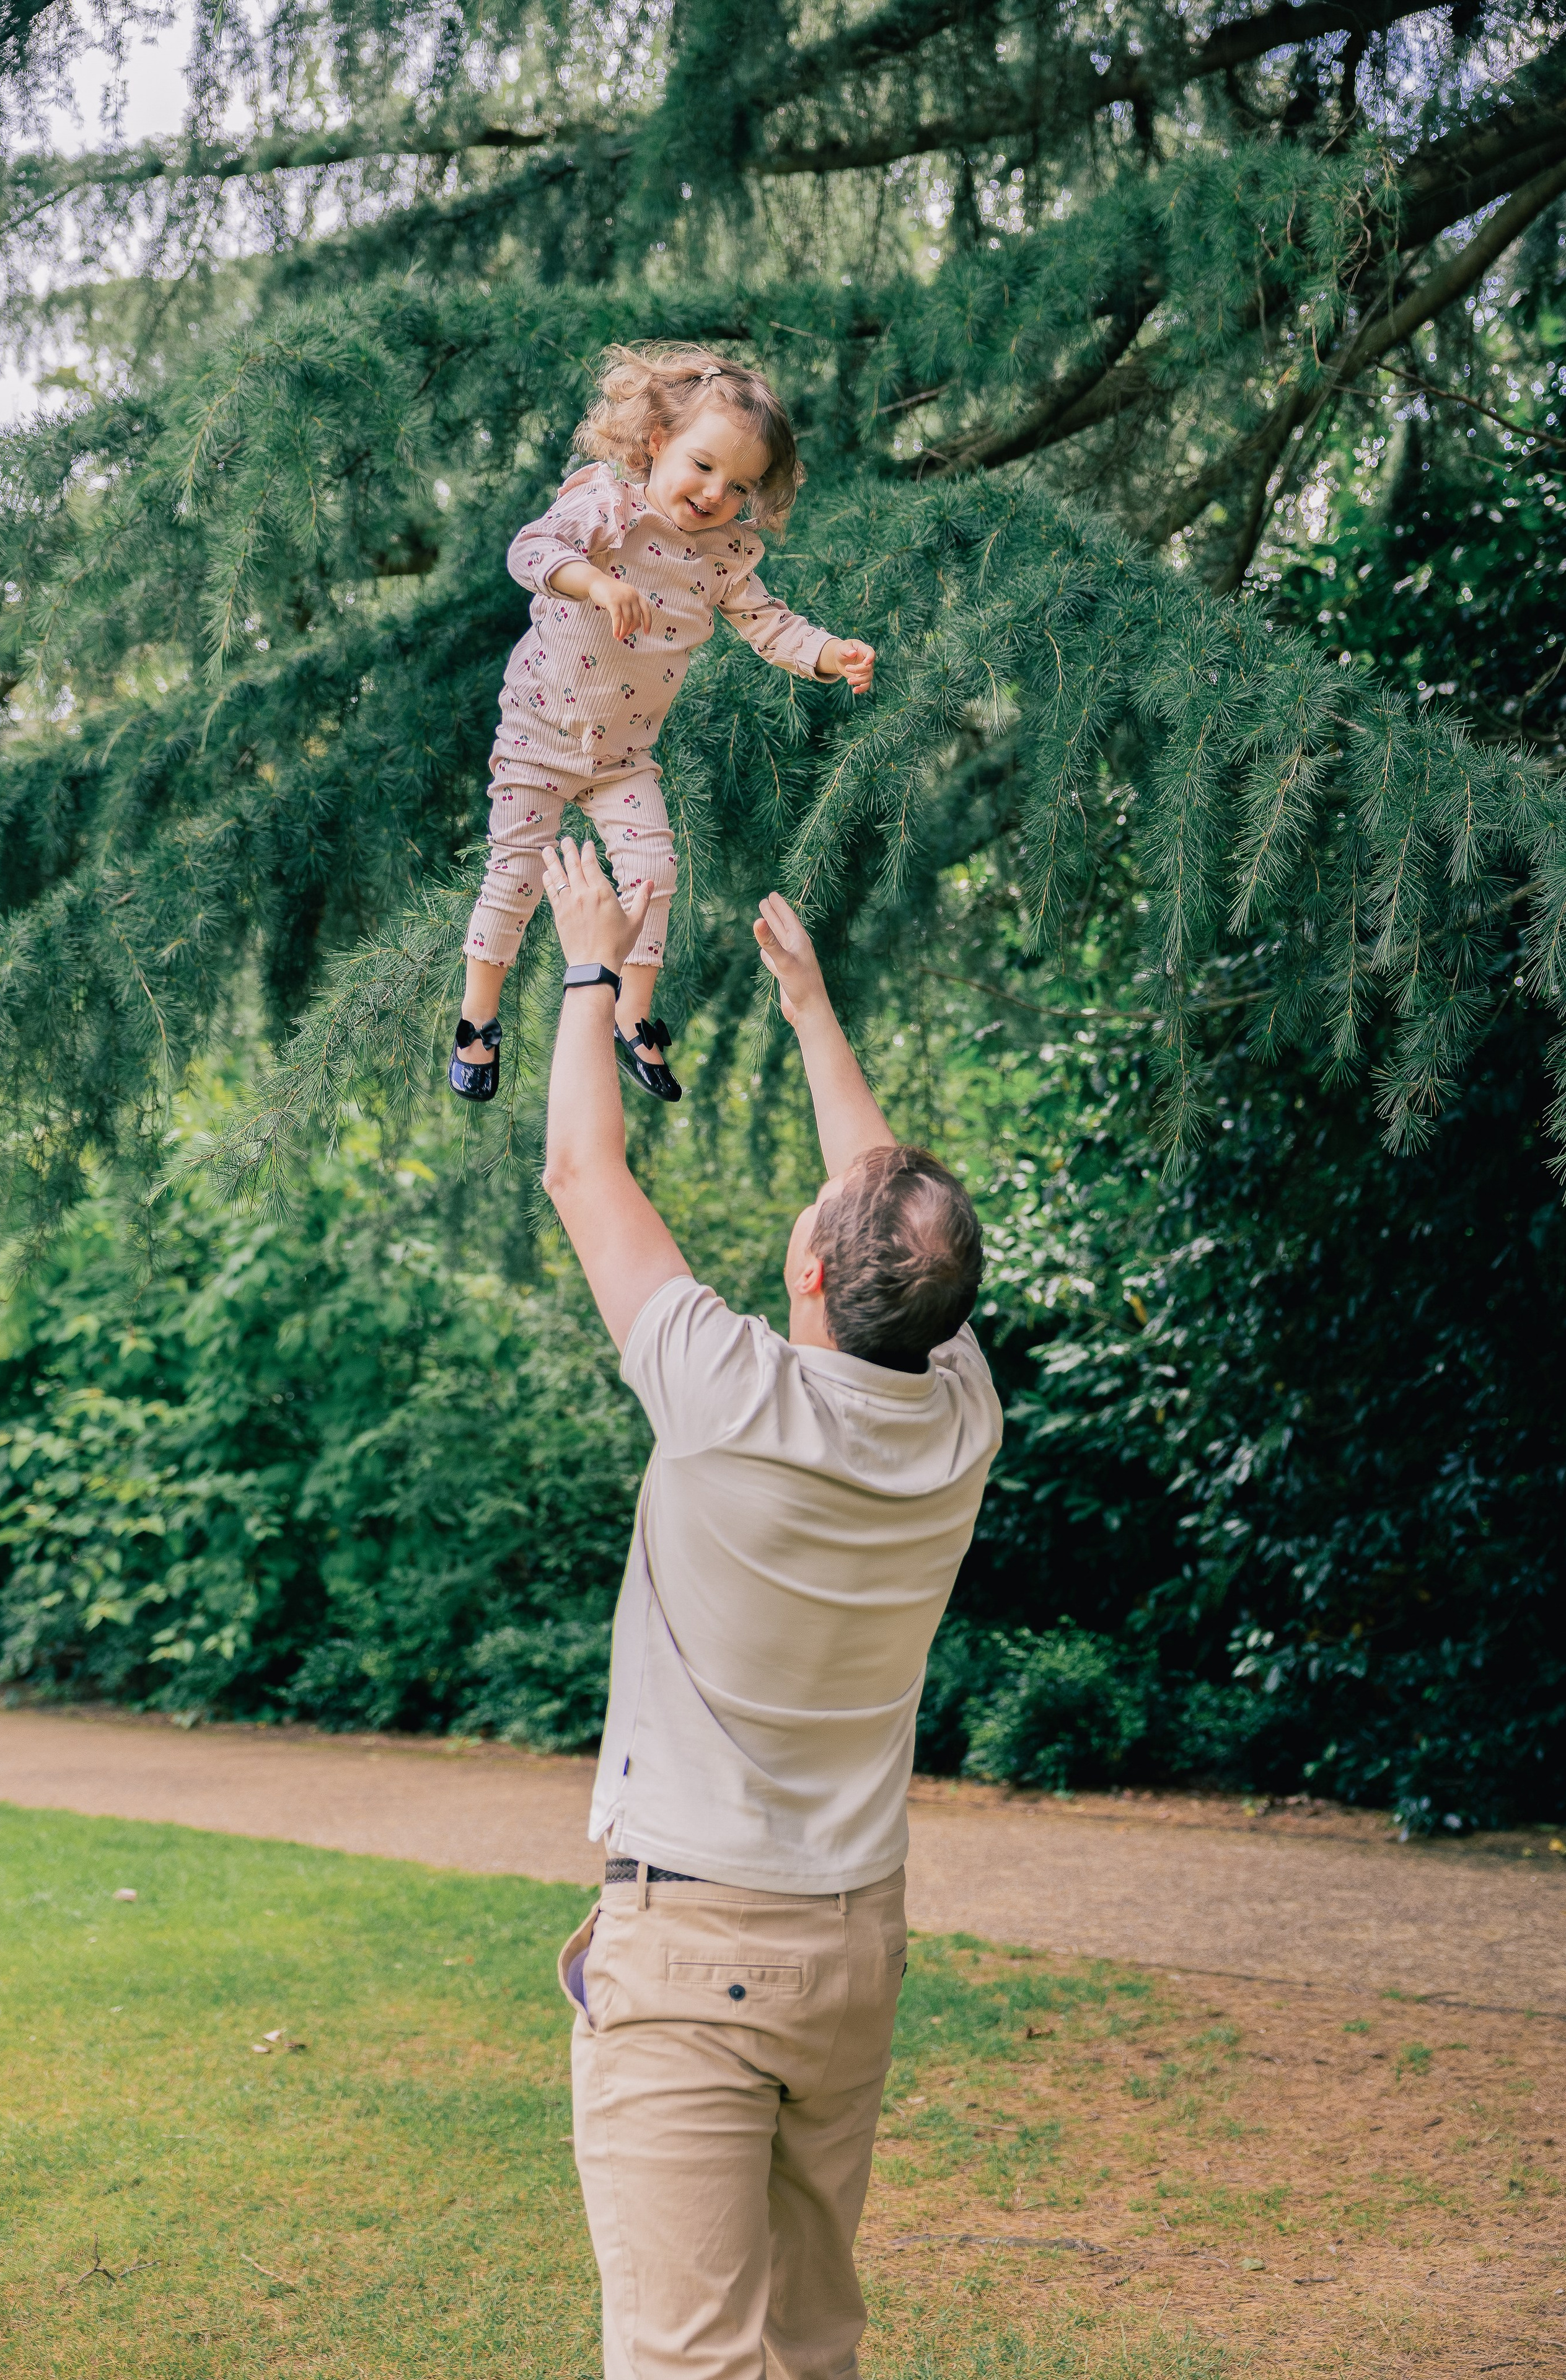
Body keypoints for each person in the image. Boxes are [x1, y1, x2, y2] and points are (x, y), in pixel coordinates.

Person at [536, 834, 1003, 2380]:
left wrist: (589, 963)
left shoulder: (723, 1394)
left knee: (687, 2358)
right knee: (808, 2344)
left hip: (700, 1950)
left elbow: (579, 1171)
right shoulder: (954, 1423)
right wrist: (809, 1013)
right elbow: (888, 1234)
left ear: (806, 1267)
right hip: (849, 1945)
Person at [451, 343, 876, 1108]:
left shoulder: (721, 557)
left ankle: (632, 1015)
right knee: (514, 875)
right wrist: (593, 582)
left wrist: (828, 655)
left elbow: (769, 625)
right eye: (703, 466)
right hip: (538, 738)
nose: (716, 493)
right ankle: (477, 1022)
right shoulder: (606, 507)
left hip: (623, 758)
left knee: (653, 875)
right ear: (656, 444)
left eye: (741, 485)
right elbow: (531, 549)